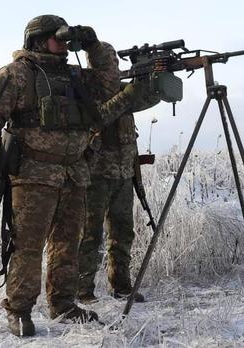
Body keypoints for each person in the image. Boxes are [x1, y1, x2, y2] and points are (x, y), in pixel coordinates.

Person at [0, 14, 147, 337]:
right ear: (38, 40)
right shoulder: (17, 75)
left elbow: (109, 80)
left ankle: (63, 303)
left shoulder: (74, 76)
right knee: (28, 245)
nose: (65, 45)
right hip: (33, 175)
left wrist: (94, 45)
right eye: (58, 38)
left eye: (67, 40)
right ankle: (20, 309)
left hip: (74, 172)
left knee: (67, 243)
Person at [78, 77, 159, 304]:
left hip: (124, 173)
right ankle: (83, 290)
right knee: (89, 234)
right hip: (96, 174)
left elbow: (149, 99)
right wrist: (128, 92)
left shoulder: (124, 90)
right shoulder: (87, 87)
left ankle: (121, 286)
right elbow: (99, 117)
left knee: (123, 233)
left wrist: (155, 78)